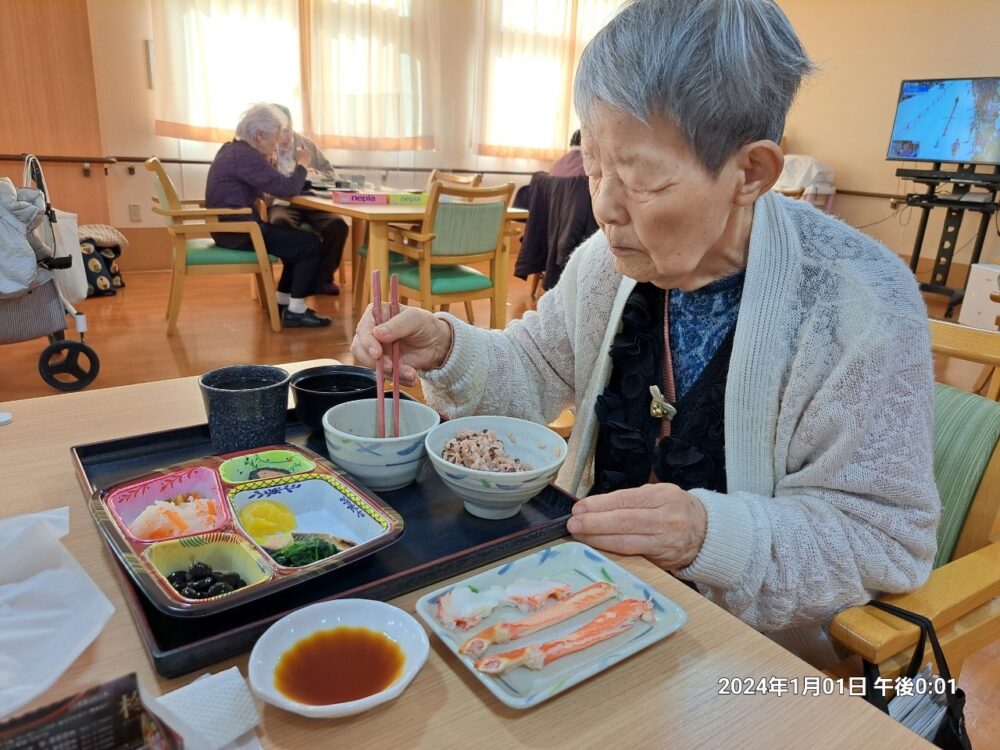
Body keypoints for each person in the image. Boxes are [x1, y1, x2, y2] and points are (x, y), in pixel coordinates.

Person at [352, 0, 940, 668]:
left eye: (639, 176)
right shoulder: (606, 265)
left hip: (755, 660)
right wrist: (449, 345)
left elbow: (883, 537)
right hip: (588, 601)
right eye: (593, 162)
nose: (603, 205)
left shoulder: (858, 304)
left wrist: (709, 534)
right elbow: (535, 370)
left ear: (751, 172)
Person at [205, 103, 331, 328]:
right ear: (260, 135)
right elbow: (288, 187)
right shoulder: (245, 156)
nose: (276, 144)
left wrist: (266, 164)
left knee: (295, 243)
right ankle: (296, 311)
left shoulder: (232, 150)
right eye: (274, 138)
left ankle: (284, 303)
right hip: (240, 231)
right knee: (309, 245)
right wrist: (302, 163)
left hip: (230, 228)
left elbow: (268, 187)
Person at [268, 104, 349, 296]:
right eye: (279, 132)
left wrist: (316, 174)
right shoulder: (268, 148)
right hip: (283, 204)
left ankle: (323, 278)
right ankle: (295, 277)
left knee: (338, 225)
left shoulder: (307, 145)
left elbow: (330, 173)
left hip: (314, 202)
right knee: (280, 224)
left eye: (287, 130)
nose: (284, 137)